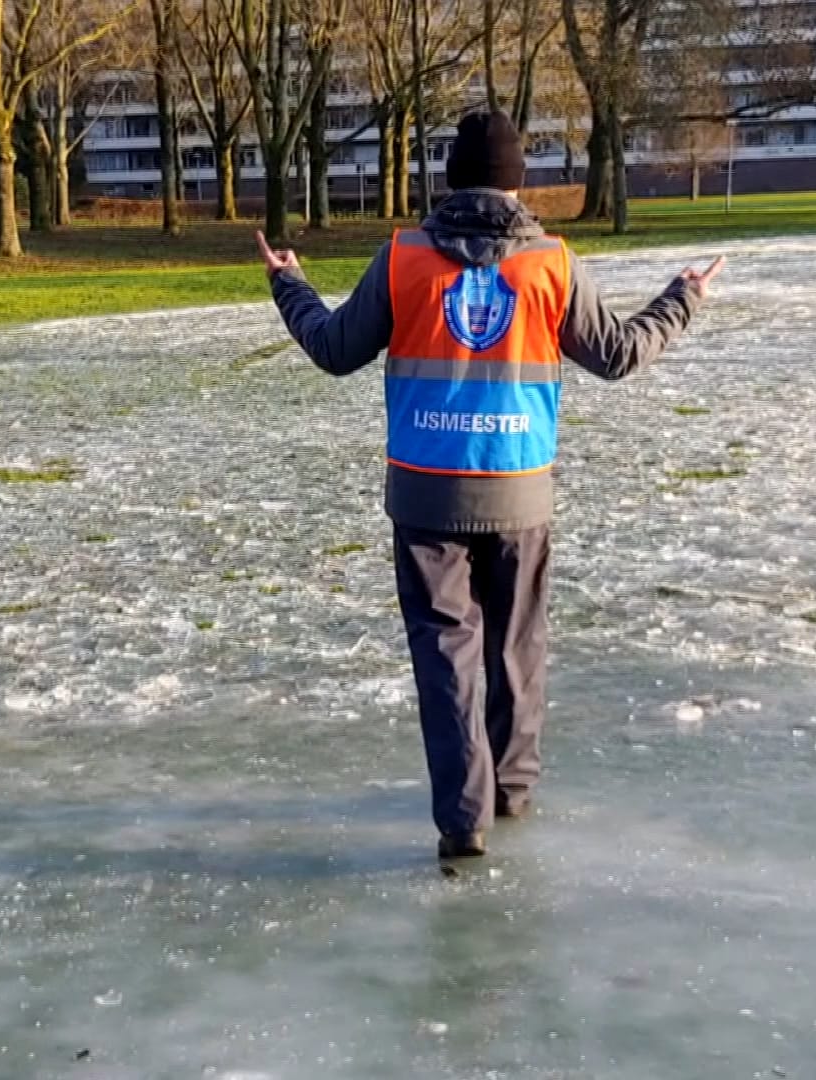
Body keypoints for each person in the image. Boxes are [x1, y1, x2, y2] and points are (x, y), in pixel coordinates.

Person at [258, 110, 724, 860]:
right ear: (517, 182)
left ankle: (463, 818)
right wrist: (683, 296)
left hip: (426, 492)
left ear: (451, 180)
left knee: (446, 654)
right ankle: (509, 789)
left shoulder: (404, 258)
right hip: (519, 489)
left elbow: (334, 347)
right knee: (516, 648)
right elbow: (618, 354)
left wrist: (290, 284)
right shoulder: (551, 264)